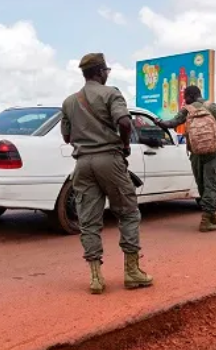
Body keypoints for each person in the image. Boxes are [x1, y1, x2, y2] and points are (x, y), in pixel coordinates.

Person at [61, 53, 153, 294]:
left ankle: (96, 278)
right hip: (109, 160)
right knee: (129, 212)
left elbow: (66, 136)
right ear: (101, 72)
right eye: (106, 71)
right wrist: (124, 145)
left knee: (89, 220)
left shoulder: (70, 101)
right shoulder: (111, 93)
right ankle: (132, 272)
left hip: (82, 163)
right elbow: (124, 122)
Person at [154, 86, 216, 232]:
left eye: (185, 96)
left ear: (191, 96)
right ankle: (208, 217)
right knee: (212, 184)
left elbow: (171, 123)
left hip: (195, 152)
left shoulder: (187, 110)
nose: (184, 99)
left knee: (201, 183)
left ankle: (209, 215)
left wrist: (158, 122)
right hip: (214, 152)